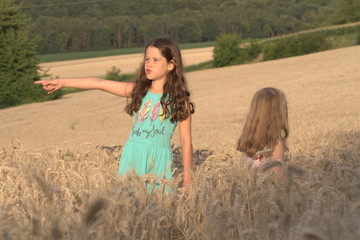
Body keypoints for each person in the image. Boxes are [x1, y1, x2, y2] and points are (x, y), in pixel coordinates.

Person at [35, 37, 195, 190]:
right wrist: (62, 82)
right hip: (132, 156)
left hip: (159, 162)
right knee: (129, 206)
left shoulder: (179, 100)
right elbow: (99, 83)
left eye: (155, 60)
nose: (149, 64)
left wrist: (188, 179)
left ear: (171, 65)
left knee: (159, 207)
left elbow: (185, 141)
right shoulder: (138, 91)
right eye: (147, 59)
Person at [237, 87, 289, 172]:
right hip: (266, 185)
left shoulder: (248, 141)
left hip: (248, 185)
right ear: (279, 114)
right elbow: (277, 180)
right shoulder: (276, 144)